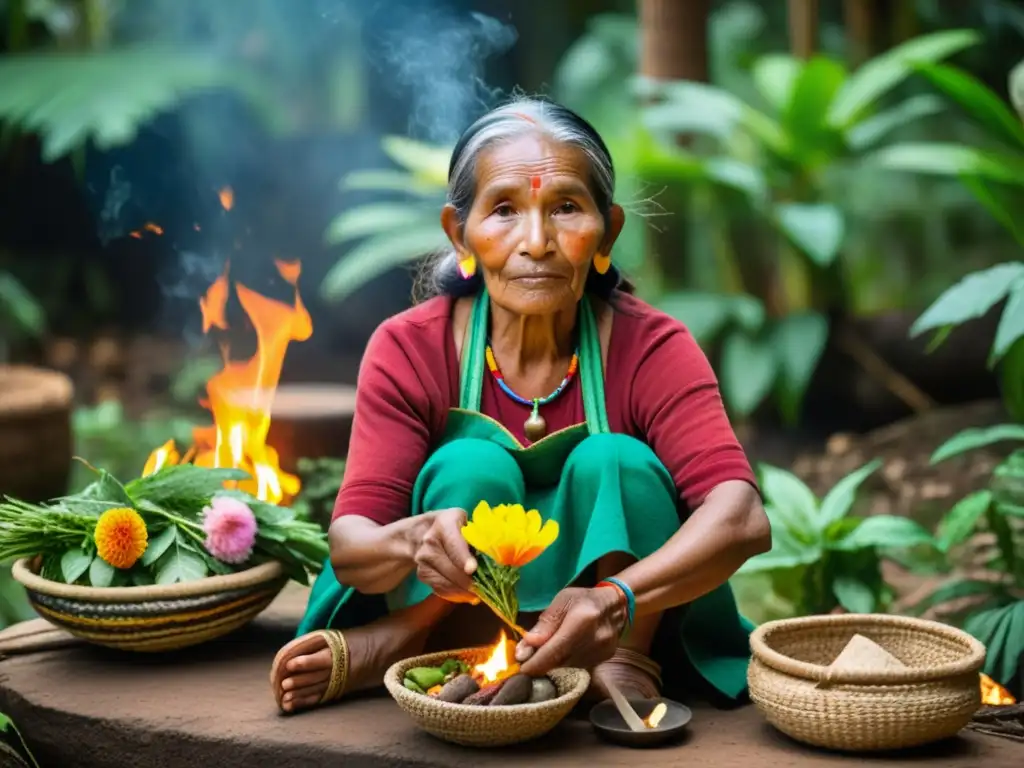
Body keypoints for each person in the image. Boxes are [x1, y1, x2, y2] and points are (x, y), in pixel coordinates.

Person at [270, 98, 771, 714]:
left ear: (607, 231)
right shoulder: (408, 347)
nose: (537, 242)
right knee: (469, 466)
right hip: (457, 621)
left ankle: (626, 662)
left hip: (613, 622)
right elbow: (352, 547)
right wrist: (415, 539)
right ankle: (416, 639)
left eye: (565, 207)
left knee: (614, 460)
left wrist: (614, 599)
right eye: (504, 210)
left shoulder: (652, 346)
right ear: (461, 234)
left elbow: (741, 517)